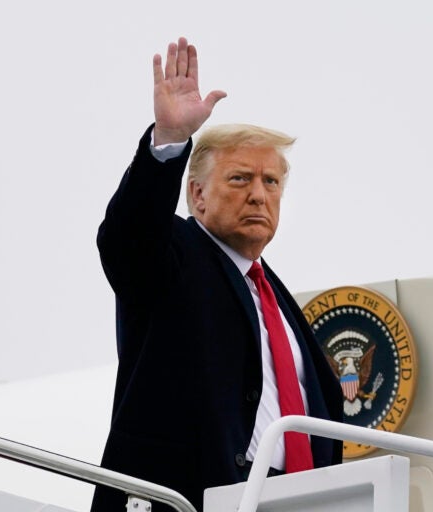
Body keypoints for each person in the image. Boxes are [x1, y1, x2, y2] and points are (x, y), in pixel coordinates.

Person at [91, 37, 343, 512]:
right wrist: (168, 143)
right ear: (198, 195)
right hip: (195, 496)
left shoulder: (279, 303)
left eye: (271, 182)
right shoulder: (173, 257)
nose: (258, 194)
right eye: (240, 178)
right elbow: (128, 239)